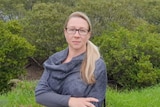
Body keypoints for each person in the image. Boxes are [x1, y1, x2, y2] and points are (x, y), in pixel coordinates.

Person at [35, 11, 107, 107]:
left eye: (82, 30)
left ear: (89, 34)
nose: (76, 35)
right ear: (65, 32)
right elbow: (40, 95)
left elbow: (93, 104)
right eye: (72, 29)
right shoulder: (54, 60)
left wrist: (53, 99)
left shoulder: (97, 65)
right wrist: (70, 101)